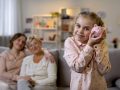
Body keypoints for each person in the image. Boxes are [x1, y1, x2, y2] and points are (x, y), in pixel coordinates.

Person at [63, 11, 111, 90]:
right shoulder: (70, 42)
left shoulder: (101, 44)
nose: (80, 31)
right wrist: (89, 45)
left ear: (94, 31)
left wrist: (97, 45)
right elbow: (77, 67)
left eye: (86, 28)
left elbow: (105, 70)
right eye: (78, 26)